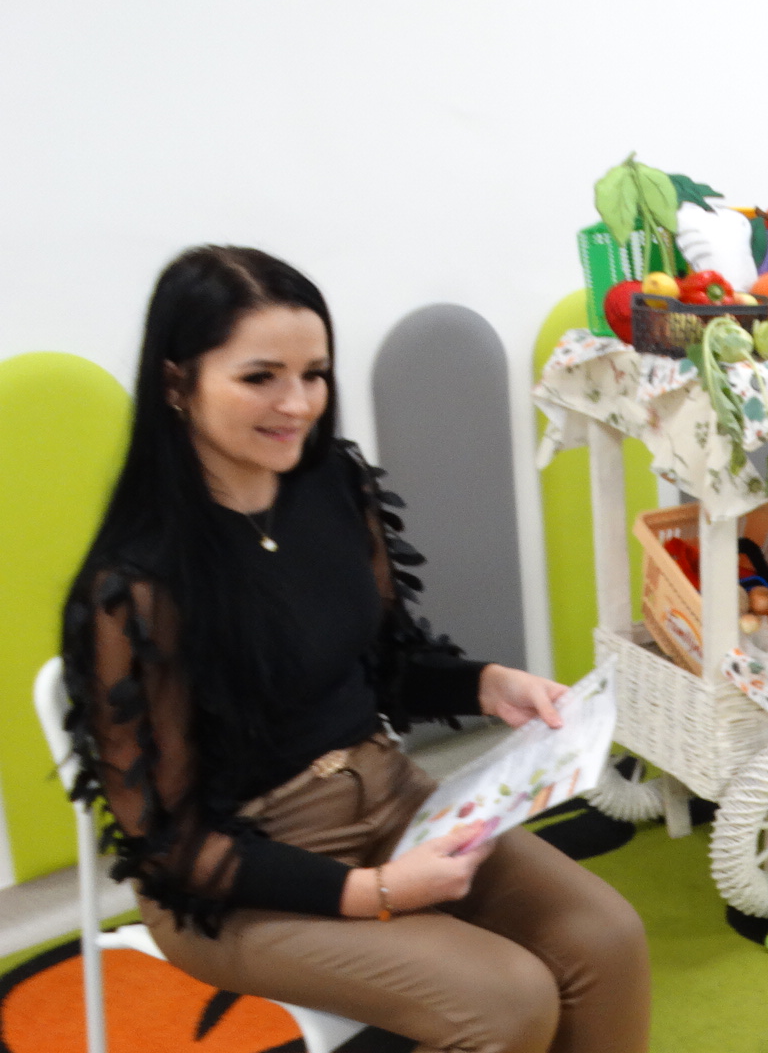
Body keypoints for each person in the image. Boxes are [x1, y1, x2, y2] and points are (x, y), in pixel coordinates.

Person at [60, 246, 650, 1053]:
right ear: (175, 382)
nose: (297, 404)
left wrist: (484, 683)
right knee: (508, 1002)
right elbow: (171, 849)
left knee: (607, 937)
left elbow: (383, 665)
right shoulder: (135, 585)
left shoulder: (333, 485)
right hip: (239, 875)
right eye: (260, 377)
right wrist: (375, 891)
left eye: (314, 374)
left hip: (390, 797)